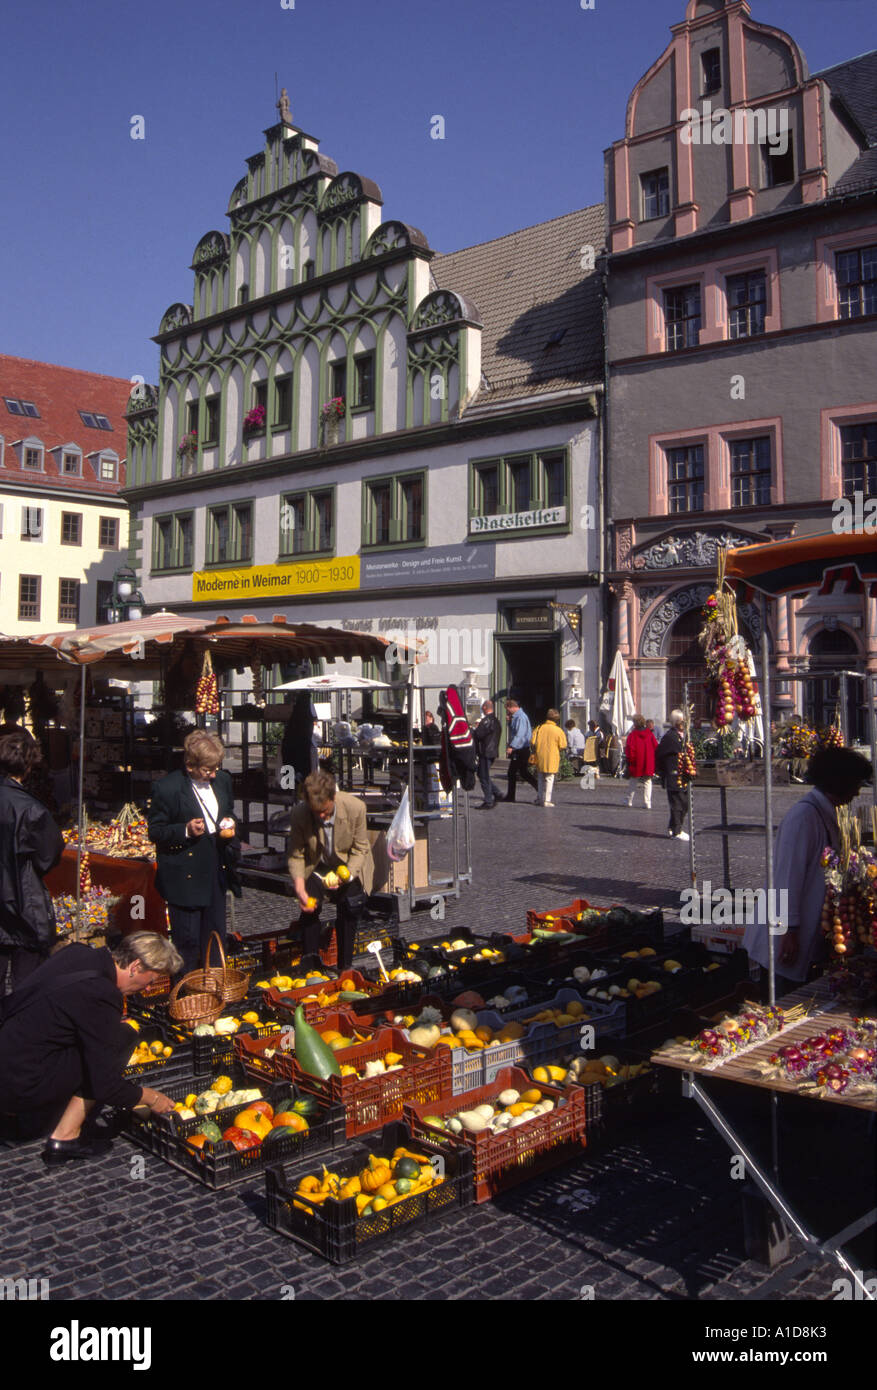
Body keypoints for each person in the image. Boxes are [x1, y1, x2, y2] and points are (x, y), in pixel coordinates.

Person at [0, 931, 181, 1161]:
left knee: (109, 1035)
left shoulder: (79, 952)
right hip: (17, 1085)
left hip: (9, 1054)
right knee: (124, 1035)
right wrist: (151, 1098)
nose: (148, 990)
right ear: (135, 966)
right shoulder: (102, 994)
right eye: (151, 981)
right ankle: (65, 1137)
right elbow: (106, 1085)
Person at [743, 746, 873, 995]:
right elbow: (786, 878)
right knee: (782, 1000)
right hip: (783, 937)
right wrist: (788, 930)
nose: (858, 791)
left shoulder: (826, 813)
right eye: (856, 783)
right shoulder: (804, 817)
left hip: (801, 933)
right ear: (839, 781)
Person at [147, 730, 242, 978]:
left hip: (215, 868)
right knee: (187, 942)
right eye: (206, 770)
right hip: (185, 875)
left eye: (215, 768)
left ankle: (213, 992)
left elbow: (229, 810)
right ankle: (184, 999)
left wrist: (229, 823)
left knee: (215, 936)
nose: (212, 775)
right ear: (190, 765)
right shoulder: (167, 788)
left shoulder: (222, 781)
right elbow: (155, 831)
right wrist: (185, 830)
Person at [287, 770, 375, 971]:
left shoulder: (356, 808)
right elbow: (296, 854)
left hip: (349, 864)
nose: (321, 816)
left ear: (333, 798)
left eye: (325, 811)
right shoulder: (299, 813)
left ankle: (345, 966)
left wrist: (346, 877)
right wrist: (299, 889)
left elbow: (361, 848)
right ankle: (311, 965)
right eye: (315, 812)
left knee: (350, 906)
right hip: (317, 865)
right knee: (309, 906)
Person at [0, 732, 65, 995]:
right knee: (26, 988)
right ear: (28, 766)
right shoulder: (31, 809)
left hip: (14, 895)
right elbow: (49, 854)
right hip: (21, 900)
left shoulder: (29, 808)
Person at [655, 710, 689, 840]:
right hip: (673, 775)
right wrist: (665, 771)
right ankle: (676, 831)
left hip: (681, 775)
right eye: (681, 722)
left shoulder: (682, 736)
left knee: (684, 803)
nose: (684, 724)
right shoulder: (670, 737)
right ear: (675, 722)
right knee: (677, 803)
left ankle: (673, 827)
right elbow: (660, 754)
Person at [530, 709, 568, 807]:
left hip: (540, 756)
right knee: (549, 778)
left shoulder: (539, 728)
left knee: (540, 778)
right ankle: (547, 800)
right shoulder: (558, 730)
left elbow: (533, 742)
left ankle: (539, 798)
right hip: (552, 756)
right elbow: (563, 745)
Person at [504, 698, 539, 802]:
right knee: (522, 772)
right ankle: (538, 788)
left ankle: (511, 796)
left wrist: (512, 746)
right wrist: (510, 722)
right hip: (520, 749)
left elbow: (520, 734)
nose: (508, 712)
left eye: (508, 709)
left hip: (521, 749)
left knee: (513, 772)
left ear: (512, 707)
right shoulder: (517, 717)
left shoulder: (520, 717)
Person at [473, 700, 503, 809]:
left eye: (482, 707)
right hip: (493, 751)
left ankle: (488, 800)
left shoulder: (487, 720)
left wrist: (475, 729)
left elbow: (478, 734)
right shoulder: (496, 721)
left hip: (486, 751)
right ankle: (497, 793)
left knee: (484, 776)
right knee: (482, 774)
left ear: (485, 707)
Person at [625, 715, 659, 809]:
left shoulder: (633, 735)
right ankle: (647, 802)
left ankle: (629, 800)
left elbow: (630, 749)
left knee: (633, 781)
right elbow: (656, 746)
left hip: (637, 761)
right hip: (648, 761)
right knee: (648, 782)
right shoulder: (649, 733)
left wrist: (630, 760)